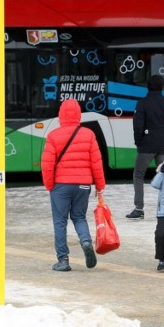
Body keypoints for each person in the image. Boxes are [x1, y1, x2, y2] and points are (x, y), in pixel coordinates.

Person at [41, 99, 106, 271]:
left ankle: (63, 260)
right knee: (79, 217)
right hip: (83, 185)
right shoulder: (89, 134)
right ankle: (85, 241)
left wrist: (49, 185)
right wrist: (100, 186)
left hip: (60, 185)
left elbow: (47, 164)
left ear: (61, 115)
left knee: (60, 222)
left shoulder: (53, 135)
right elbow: (97, 163)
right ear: (78, 114)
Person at [126, 74, 164, 220]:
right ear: (162, 86)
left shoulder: (142, 103)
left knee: (138, 175)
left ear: (147, 86)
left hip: (146, 146)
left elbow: (137, 126)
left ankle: (139, 208)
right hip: (163, 145)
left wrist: (139, 142)